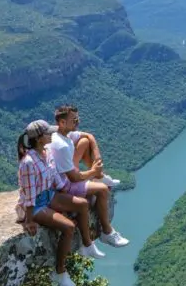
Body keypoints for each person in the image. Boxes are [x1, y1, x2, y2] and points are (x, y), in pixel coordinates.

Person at [17, 119, 103, 286]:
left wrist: (71, 191)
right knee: (69, 227)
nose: (52, 134)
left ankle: (86, 245)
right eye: (49, 133)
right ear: (40, 138)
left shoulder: (47, 152)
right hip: (36, 204)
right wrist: (30, 219)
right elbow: (29, 193)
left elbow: (55, 178)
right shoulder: (28, 162)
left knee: (82, 205)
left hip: (50, 195)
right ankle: (60, 272)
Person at [49, 105, 129, 248]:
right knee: (103, 189)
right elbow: (74, 178)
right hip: (65, 185)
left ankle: (100, 176)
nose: (77, 122)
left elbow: (89, 136)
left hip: (68, 175)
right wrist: (93, 171)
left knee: (85, 141)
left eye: (78, 118)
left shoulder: (63, 134)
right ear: (62, 123)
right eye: (74, 120)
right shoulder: (61, 146)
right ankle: (107, 232)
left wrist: (97, 158)